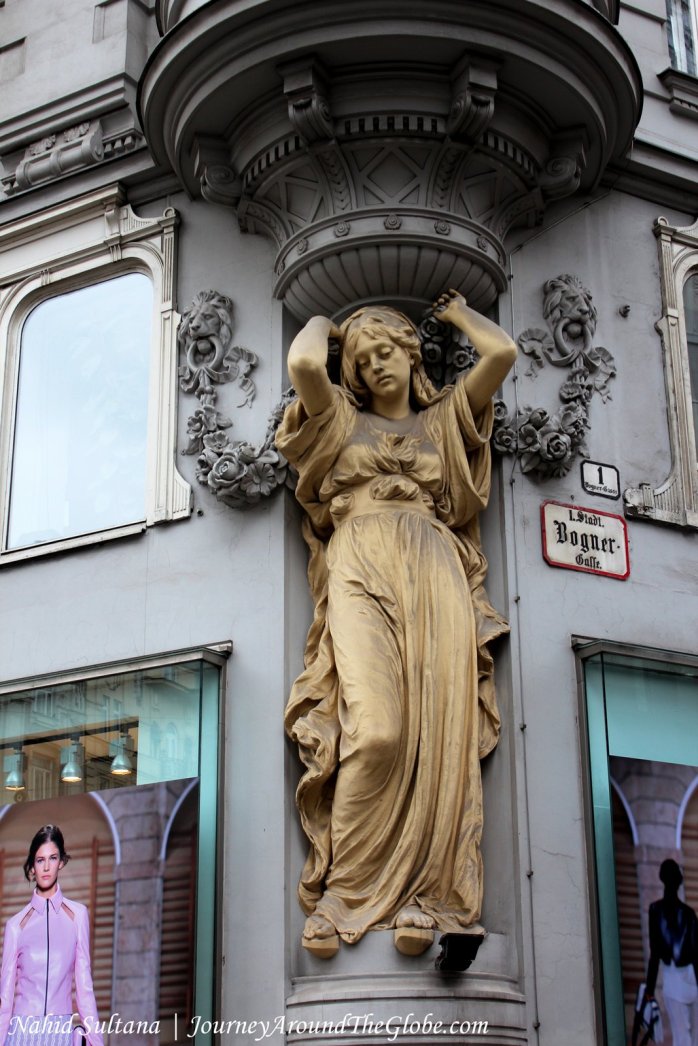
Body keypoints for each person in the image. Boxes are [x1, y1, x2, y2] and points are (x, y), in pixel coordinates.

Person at [276, 289, 517, 952]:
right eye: (362, 359)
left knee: (439, 736)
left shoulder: (444, 421)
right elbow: (303, 366)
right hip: (359, 564)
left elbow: (502, 353)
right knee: (376, 730)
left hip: (433, 571)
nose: (375, 365)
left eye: (386, 349)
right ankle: (341, 895)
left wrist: (459, 316)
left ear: (412, 354)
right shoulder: (339, 421)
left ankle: (429, 900)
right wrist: (331, 324)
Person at [0, 825, 103, 1046]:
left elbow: (85, 989)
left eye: (53, 858)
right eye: (39, 860)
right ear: (32, 868)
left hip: (60, 1033)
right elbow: (5, 1000)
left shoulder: (77, 916)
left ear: (61, 862)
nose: (46, 867)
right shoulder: (16, 926)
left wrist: (97, 1042)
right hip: (22, 1033)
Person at [644, 859, 698, 1046]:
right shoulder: (688, 913)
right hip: (686, 976)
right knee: (690, 1038)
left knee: (683, 1038)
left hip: (678, 976)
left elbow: (655, 954)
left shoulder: (656, 910)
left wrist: (649, 991)